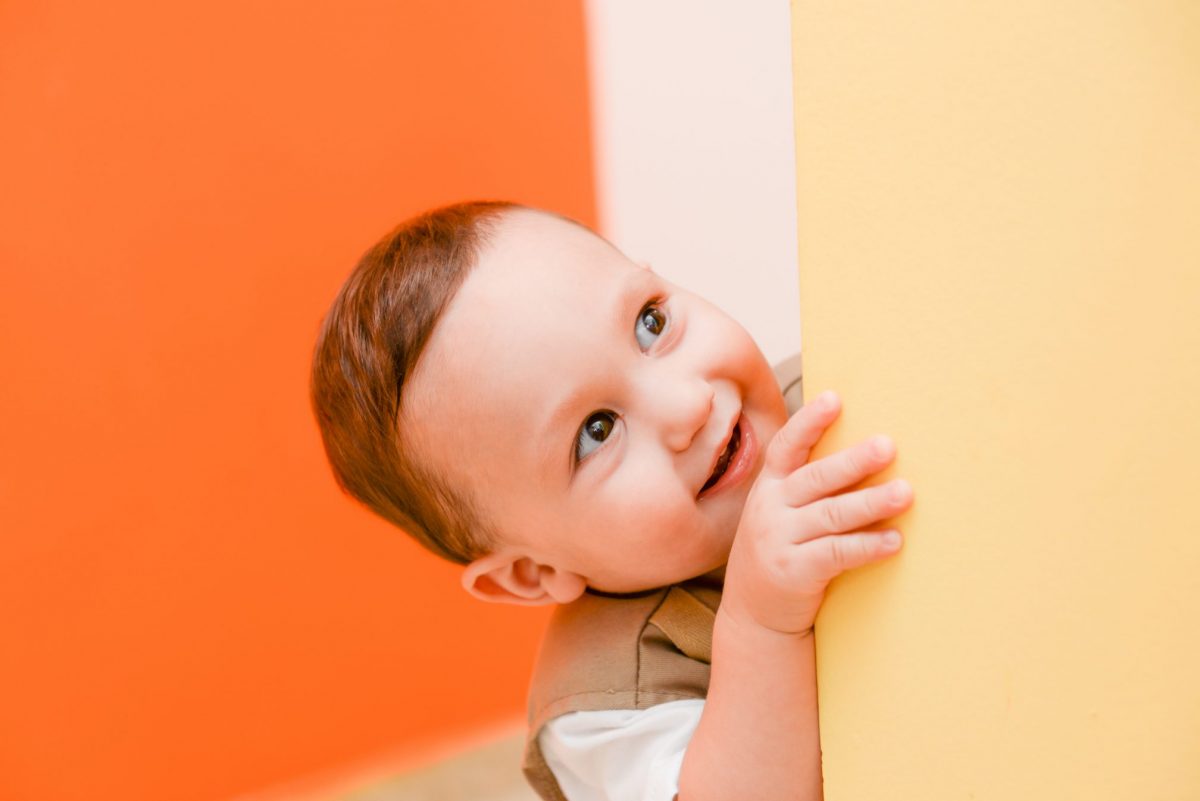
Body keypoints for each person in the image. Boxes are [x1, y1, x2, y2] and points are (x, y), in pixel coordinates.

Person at [310, 201, 914, 801]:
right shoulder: (606, 704)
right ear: (533, 572)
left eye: (650, 323)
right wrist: (760, 623)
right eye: (596, 431)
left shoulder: (829, 395)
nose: (687, 405)